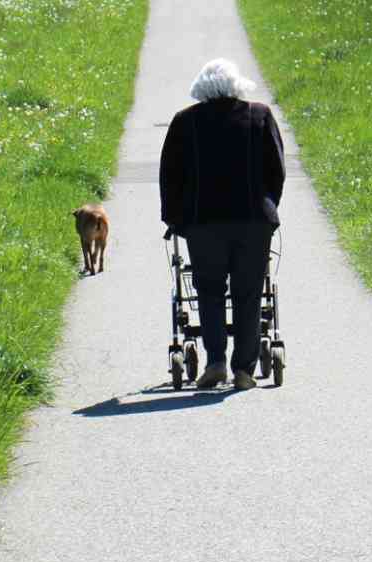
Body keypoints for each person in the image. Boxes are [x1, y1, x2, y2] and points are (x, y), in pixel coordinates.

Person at [159, 58, 285, 390]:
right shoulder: (259, 116)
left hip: (204, 224)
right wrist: (269, 207)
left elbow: (169, 176)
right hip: (252, 221)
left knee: (210, 290)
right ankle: (244, 369)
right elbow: (277, 169)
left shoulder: (185, 122)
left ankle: (215, 360)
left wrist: (175, 219)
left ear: (202, 87)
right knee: (248, 292)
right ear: (236, 85)